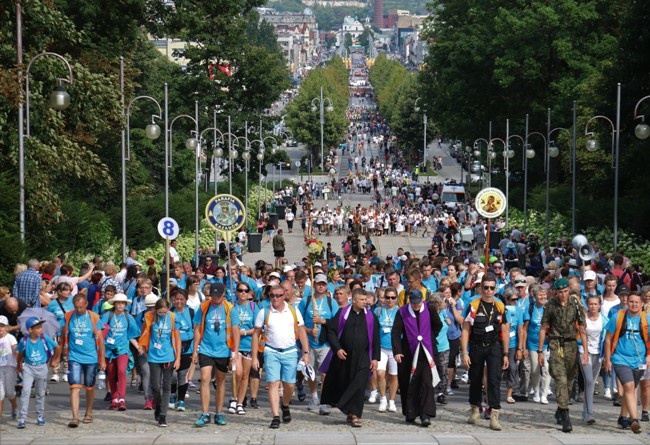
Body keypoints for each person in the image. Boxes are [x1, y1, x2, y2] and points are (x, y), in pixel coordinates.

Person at [319, 288, 379, 428]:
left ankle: (356, 415)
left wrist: (375, 358)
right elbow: (332, 331)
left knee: (359, 384)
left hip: (364, 356)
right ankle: (350, 414)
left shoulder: (370, 316)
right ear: (354, 300)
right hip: (345, 356)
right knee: (347, 383)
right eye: (362, 300)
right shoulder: (342, 313)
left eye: (366, 300)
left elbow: (376, 338)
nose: (365, 302)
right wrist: (337, 348)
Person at [252, 284, 309, 429]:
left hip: (290, 351)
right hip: (271, 351)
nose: (275, 298)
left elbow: (302, 331)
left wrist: (306, 353)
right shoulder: (264, 312)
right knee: (273, 383)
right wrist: (254, 357)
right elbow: (256, 335)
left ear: (284, 295)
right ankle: (275, 416)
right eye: (272, 295)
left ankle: (285, 405)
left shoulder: (293, 310)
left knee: (289, 385)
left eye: (278, 295)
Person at [538, 278, 588, 433]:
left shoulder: (576, 305)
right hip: (556, 344)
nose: (563, 295)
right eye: (560, 292)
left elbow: (582, 328)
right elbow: (543, 328)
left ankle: (560, 408)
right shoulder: (551, 305)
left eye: (565, 291)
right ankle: (566, 415)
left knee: (570, 380)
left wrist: (585, 351)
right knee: (560, 378)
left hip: (572, 344)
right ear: (555, 292)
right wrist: (541, 351)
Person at [461, 273, 509, 431]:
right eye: (486, 288)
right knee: (475, 379)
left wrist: (506, 353)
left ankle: (494, 414)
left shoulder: (500, 306)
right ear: (481, 289)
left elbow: (504, 329)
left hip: (494, 346)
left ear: (495, 289)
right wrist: (464, 352)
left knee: (494, 380)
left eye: (491, 288)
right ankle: (475, 408)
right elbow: (466, 329)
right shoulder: (474, 305)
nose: (488, 291)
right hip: (477, 346)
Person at [53, 293, 106, 428]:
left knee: (89, 387)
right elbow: (61, 339)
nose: (79, 310)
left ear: (86, 305)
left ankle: (88, 412)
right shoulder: (69, 317)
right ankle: (75, 417)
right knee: (74, 387)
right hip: (74, 357)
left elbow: (100, 341)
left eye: (81, 307)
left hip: (91, 358)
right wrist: (57, 357)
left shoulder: (93, 318)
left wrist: (102, 360)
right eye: (76, 307)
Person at [391, 289, 443, 427]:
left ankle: (425, 415)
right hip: (408, 352)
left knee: (426, 382)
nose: (416, 305)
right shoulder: (402, 312)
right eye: (413, 303)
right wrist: (397, 351)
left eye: (418, 302)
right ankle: (411, 412)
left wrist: (430, 338)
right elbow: (396, 332)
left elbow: (438, 325)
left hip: (427, 352)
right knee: (410, 383)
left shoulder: (430, 309)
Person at [192, 283, 240, 427]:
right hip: (206, 348)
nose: (215, 298)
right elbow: (198, 329)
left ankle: (219, 413)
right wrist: (195, 350)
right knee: (205, 378)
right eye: (213, 295)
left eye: (218, 296)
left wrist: (235, 351)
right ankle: (205, 413)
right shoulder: (203, 307)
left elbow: (236, 330)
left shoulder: (230, 308)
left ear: (223, 295)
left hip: (223, 349)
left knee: (220, 380)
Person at [603, 292, 650, 434]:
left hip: (639, 360)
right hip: (620, 358)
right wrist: (608, 358)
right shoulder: (618, 317)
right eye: (631, 301)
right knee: (629, 387)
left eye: (637, 302)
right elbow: (608, 339)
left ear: (642, 304)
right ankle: (634, 420)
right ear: (627, 302)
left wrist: (648, 356)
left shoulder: (646, 319)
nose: (634, 304)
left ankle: (622, 417)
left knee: (630, 389)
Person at [298, 273, 339, 415]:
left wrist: (323, 321)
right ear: (314, 285)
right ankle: (314, 396)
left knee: (325, 373)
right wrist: (309, 330)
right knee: (311, 372)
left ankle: (325, 400)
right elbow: (299, 322)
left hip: (325, 342)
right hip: (309, 343)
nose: (321, 286)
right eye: (318, 283)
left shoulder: (331, 302)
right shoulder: (306, 301)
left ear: (326, 286)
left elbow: (336, 322)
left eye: (323, 284)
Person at [138, 298, 181, 427]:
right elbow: (144, 333)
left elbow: (177, 339)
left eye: (164, 312)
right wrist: (143, 348)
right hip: (153, 356)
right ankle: (159, 404)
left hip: (168, 356)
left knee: (167, 386)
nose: (162, 314)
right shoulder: (150, 317)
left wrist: (177, 357)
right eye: (160, 312)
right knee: (155, 386)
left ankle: (163, 415)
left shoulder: (173, 317)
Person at [15, 317, 60, 428]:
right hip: (29, 368)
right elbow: (20, 352)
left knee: (40, 393)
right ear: (30, 330)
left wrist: (54, 359)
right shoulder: (24, 340)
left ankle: (40, 415)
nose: (40, 330)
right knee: (25, 391)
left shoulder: (44, 338)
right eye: (37, 328)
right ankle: (23, 418)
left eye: (41, 327)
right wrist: (19, 364)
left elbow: (57, 347)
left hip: (41, 367)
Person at [101, 293, 140, 411]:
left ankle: (122, 399)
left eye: (122, 303)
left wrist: (138, 347)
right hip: (109, 350)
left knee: (122, 371)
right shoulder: (107, 315)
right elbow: (101, 333)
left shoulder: (128, 317)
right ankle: (114, 398)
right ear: (115, 304)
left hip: (123, 349)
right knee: (111, 374)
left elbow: (132, 335)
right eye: (118, 303)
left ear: (125, 304)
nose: (120, 305)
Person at [580, 295, 607, 424]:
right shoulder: (583, 319)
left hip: (598, 353)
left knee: (591, 382)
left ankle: (585, 411)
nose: (593, 306)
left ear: (599, 305)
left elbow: (607, 338)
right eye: (591, 304)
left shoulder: (604, 320)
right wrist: (585, 352)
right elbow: (582, 334)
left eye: (595, 304)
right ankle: (590, 413)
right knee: (589, 380)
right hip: (585, 352)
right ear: (587, 305)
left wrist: (607, 356)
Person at [374, 286, 399, 412]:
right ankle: (383, 398)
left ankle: (392, 401)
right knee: (380, 373)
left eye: (392, 298)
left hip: (395, 348)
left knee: (393, 376)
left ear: (396, 298)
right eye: (387, 297)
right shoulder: (378, 311)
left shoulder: (400, 312)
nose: (389, 300)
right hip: (381, 347)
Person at [0, 315, 18, 422]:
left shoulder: (10, 338)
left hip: (10, 366)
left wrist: (19, 361)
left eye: (2, 326)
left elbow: (15, 350)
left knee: (10, 392)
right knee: (0, 393)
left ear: (6, 327)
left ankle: (14, 406)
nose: (0, 329)